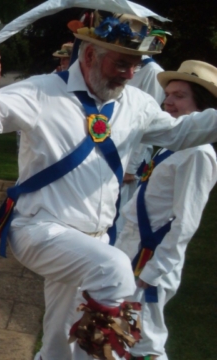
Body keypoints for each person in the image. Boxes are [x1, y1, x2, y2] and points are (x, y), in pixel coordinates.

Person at [0, 14, 217, 360]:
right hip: (38, 228)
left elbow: (182, 132)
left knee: (60, 334)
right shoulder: (41, 91)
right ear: (90, 55)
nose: (130, 74)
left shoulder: (135, 105)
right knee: (115, 269)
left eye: (135, 65)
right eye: (122, 63)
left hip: (93, 240)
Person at [115, 60, 217, 360]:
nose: (168, 102)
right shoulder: (174, 145)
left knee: (146, 342)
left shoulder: (198, 154)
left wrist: (154, 270)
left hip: (150, 259)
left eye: (179, 95)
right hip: (134, 249)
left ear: (203, 104)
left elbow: (186, 222)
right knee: (124, 331)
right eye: (168, 94)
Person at [116, 14, 165, 234]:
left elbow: (146, 123)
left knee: (121, 214)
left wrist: (131, 167)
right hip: (113, 147)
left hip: (131, 155)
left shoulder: (152, 72)